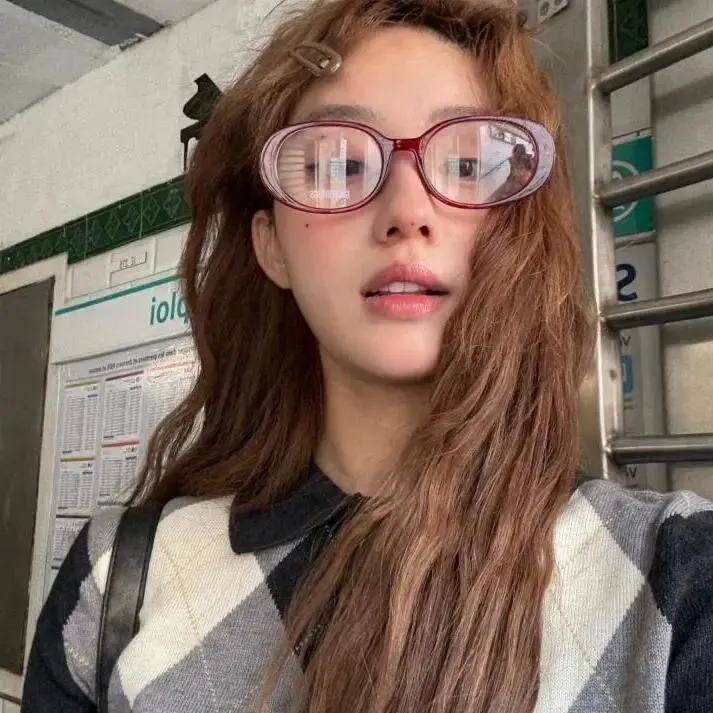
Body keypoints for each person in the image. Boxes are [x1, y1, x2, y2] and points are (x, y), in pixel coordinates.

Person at [22, 0, 713, 712]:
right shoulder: (116, 581)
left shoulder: (678, 579)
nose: (406, 211)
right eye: (339, 164)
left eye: (468, 163)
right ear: (270, 245)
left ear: (517, 224)